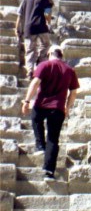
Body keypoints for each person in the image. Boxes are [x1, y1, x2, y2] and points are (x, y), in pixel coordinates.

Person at [21, 46, 79, 180]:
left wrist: (27, 101)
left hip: (41, 104)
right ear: (61, 55)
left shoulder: (44, 65)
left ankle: (40, 144)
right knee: (53, 139)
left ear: (49, 54)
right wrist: (67, 107)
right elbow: (74, 92)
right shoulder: (70, 70)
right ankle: (49, 171)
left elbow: (35, 82)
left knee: (35, 119)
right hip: (58, 108)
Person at [15, 0, 52, 79]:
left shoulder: (26, 0)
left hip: (28, 29)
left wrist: (17, 28)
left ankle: (30, 71)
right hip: (41, 27)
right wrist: (48, 21)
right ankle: (41, 61)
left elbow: (19, 15)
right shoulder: (45, 0)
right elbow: (47, 14)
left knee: (30, 50)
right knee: (46, 45)